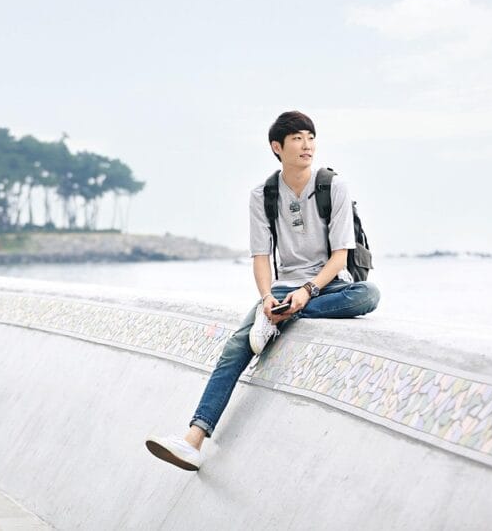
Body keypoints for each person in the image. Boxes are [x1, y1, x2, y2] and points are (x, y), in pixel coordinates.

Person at [145, 111, 381, 471]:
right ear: (277, 147)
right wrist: (268, 297)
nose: (307, 145)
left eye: (311, 137)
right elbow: (260, 258)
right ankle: (193, 440)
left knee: (369, 295)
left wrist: (305, 294)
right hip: (283, 287)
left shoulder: (333, 185)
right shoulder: (264, 194)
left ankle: (279, 317)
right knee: (235, 349)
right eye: (298, 139)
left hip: (327, 284)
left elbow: (340, 258)